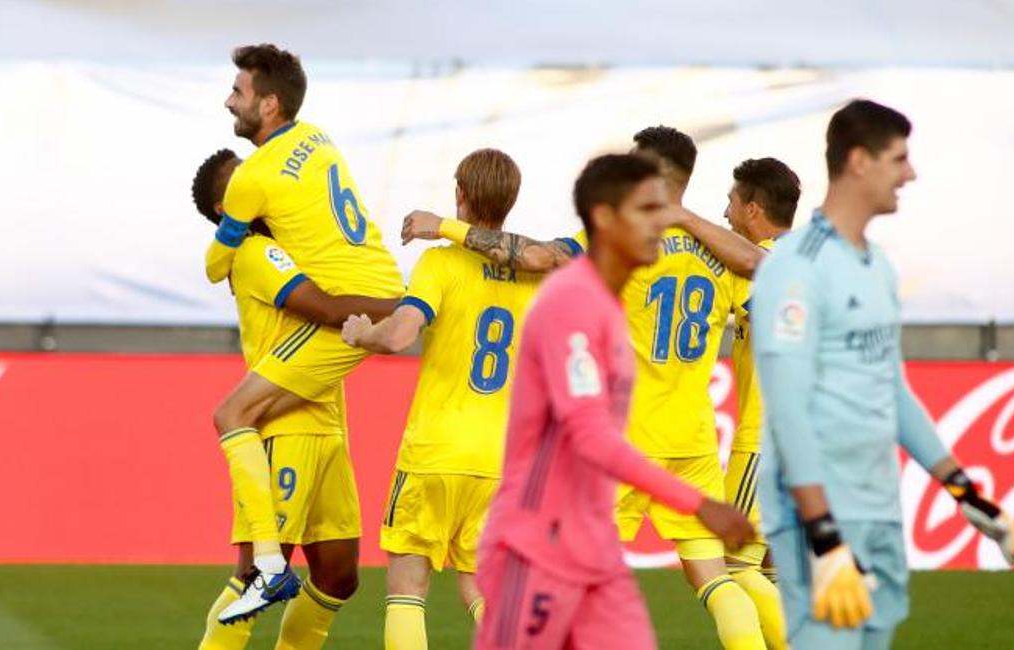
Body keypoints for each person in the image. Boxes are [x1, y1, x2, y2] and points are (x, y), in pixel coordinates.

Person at [751, 99, 1014, 649]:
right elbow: (788, 409)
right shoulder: (796, 266)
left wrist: (962, 489)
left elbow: (891, 390)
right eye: (899, 159)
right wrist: (823, 534)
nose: (911, 173)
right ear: (859, 162)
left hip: (878, 510)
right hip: (821, 520)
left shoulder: (877, 266)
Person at [472, 152, 755, 650]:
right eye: (647, 212)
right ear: (605, 219)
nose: (663, 226)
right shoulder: (572, 303)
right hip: (541, 541)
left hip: (592, 541)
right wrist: (699, 504)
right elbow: (589, 433)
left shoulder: (611, 304)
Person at [203, 45, 406, 623]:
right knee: (336, 577)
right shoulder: (318, 138)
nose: (229, 101)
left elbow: (216, 264)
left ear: (269, 104)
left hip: (328, 378)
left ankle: (271, 567)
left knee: (228, 417)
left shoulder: (255, 183)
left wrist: (396, 311)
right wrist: (400, 306)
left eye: (238, 92)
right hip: (315, 392)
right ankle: (267, 567)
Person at [340, 149, 541, 649]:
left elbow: (397, 336)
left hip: (435, 451)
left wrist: (362, 333)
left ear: (461, 195)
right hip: (499, 458)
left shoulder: (441, 263)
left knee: (409, 588)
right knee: (479, 583)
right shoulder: (537, 274)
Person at [720, 157, 803, 648]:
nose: (726, 214)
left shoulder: (761, 269)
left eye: (731, 203)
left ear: (753, 209)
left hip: (765, 439)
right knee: (770, 569)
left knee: (731, 569)